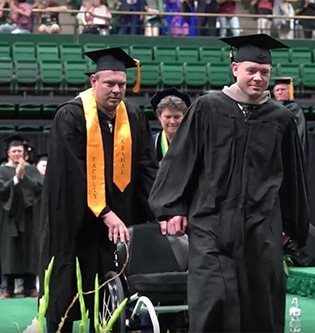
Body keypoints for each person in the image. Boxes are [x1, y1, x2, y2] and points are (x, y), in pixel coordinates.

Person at [148, 34, 310, 333]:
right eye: (251, 70)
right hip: (211, 222)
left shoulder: (280, 118)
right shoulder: (208, 107)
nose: (258, 77)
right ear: (235, 68)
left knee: (260, 303)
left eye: (264, 72)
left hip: (261, 226)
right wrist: (173, 208)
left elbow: (292, 176)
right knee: (212, 299)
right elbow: (182, 159)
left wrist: (292, 224)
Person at [39, 47, 158, 332]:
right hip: (75, 223)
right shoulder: (71, 116)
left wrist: (162, 210)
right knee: (68, 291)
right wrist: (104, 212)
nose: (117, 90)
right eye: (110, 83)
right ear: (94, 81)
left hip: (117, 224)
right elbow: (71, 173)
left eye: (122, 84)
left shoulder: (132, 116)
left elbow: (146, 168)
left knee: (110, 295)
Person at [0, 134, 43, 299]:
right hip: (9, 218)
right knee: (9, 253)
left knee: (30, 251)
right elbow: (2, 191)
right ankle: (7, 288)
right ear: (8, 153)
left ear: (24, 153)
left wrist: (24, 175)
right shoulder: (2, 170)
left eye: (20, 151)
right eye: (14, 151)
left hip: (29, 217)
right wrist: (16, 179)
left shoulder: (31, 169)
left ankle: (30, 286)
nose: (17, 153)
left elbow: (40, 189)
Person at [150, 87, 191, 162]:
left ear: (185, 117)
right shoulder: (152, 143)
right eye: (168, 117)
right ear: (159, 117)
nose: (172, 121)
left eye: (177, 117)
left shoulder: (193, 143)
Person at [272, 77, 307, 152]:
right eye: (277, 90)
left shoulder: (295, 108)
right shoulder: (271, 107)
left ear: (289, 91)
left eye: (283, 90)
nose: (280, 92)